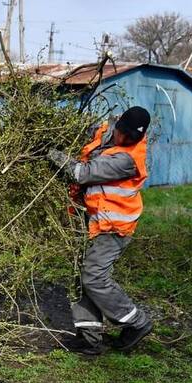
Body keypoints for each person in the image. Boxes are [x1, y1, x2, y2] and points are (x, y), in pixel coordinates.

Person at [47, 106, 153, 355]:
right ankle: (89, 337)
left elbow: (81, 174)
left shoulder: (127, 160)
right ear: (118, 126)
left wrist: (50, 153)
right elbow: (85, 132)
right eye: (122, 133)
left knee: (93, 277)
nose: (124, 140)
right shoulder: (106, 131)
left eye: (130, 138)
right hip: (92, 220)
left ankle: (136, 322)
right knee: (81, 278)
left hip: (113, 227)